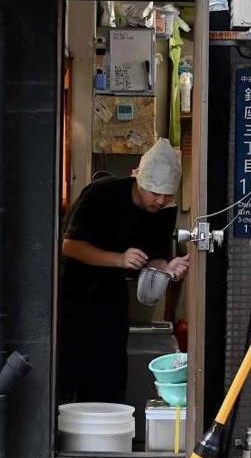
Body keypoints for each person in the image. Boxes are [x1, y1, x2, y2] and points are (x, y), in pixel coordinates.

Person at [58, 139, 191, 404]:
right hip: (72, 293)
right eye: (154, 192)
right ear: (138, 179)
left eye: (167, 193)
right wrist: (119, 259)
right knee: (69, 368)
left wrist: (168, 269)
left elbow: (154, 260)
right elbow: (69, 246)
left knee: (110, 372)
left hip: (112, 297)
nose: (160, 199)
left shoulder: (163, 211)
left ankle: (107, 426)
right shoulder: (101, 194)